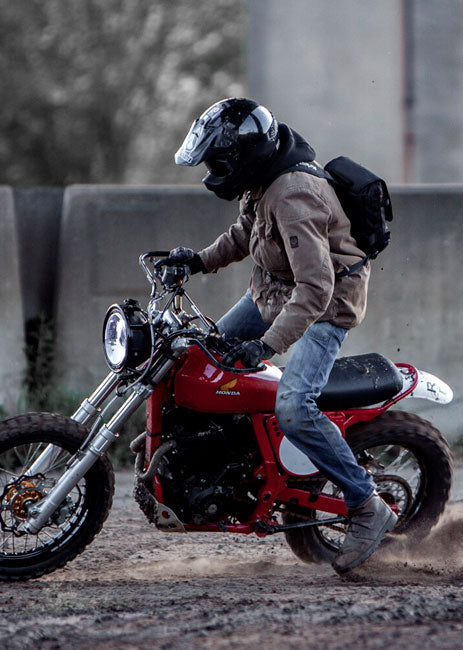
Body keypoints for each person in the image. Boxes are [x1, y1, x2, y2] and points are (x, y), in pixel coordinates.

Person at [171, 97, 396, 573]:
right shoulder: (262, 180)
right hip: (272, 293)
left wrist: (268, 345)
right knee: (202, 360)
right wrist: (198, 261)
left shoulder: (293, 195)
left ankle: (366, 504)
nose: (213, 172)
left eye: (218, 163)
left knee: (294, 407)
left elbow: (316, 289)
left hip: (324, 307)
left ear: (243, 156)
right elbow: (245, 233)